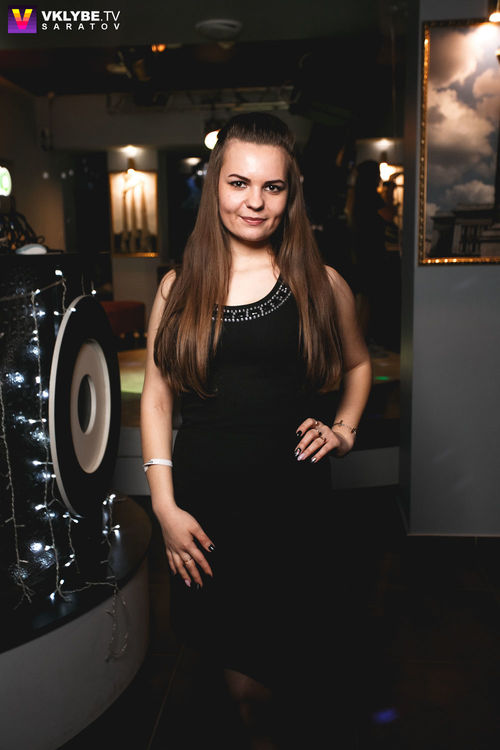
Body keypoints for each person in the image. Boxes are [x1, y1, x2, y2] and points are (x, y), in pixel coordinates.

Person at [141, 112, 372, 748]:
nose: (255, 202)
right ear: (215, 185)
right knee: (232, 666)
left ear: (290, 194)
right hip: (205, 512)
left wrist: (344, 431)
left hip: (292, 511)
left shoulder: (319, 284)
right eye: (239, 183)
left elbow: (358, 365)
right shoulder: (178, 287)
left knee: (277, 677)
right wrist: (163, 507)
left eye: (272, 187)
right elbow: (157, 398)